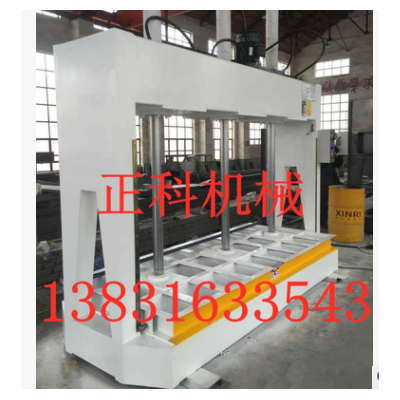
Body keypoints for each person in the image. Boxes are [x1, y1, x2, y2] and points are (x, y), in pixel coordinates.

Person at [320, 136, 343, 229]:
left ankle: (328, 220)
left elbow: (338, 164)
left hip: (331, 181)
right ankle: (322, 222)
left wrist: (340, 152)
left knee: (330, 203)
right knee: (324, 203)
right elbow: (330, 154)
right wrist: (335, 147)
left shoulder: (329, 155)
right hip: (324, 182)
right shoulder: (321, 156)